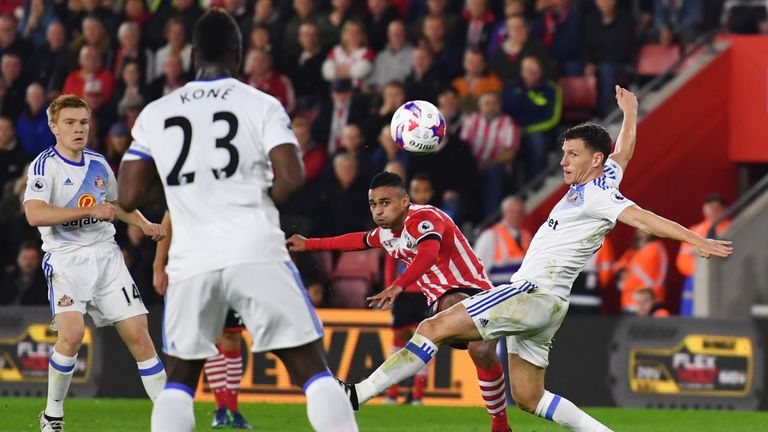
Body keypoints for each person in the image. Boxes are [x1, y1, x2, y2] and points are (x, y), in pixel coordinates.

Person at [334, 86, 732, 432]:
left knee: (432, 326)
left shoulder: (601, 195)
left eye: (572, 155)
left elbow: (641, 217)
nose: (563, 162)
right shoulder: (603, 177)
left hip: (528, 292)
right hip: (551, 306)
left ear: (593, 160)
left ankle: (357, 395)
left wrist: (694, 238)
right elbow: (623, 154)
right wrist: (630, 113)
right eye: (563, 153)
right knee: (529, 398)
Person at [117, 10, 358, 432]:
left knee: (179, 380)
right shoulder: (261, 103)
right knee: (311, 370)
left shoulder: (156, 112)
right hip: (255, 248)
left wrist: (183, 188)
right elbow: (293, 177)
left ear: (192, 56)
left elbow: (128, 195)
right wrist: (258, 195)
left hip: (191, 261)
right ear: (238, 54)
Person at [288, 172, 513, 432]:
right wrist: (309, 244)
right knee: (451, 305)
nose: (379, 211)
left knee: (483, 353)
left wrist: (398, 285)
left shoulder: (425, 218)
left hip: (480, 293)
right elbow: (356, 240)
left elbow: (428, 254)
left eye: (386, 203)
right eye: (374, 204)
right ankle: (367, 394)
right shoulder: (386, 234)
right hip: (443, 301)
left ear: (405, 201)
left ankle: (500, 425)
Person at [24, 95, 167, 432]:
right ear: (54, 127)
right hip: (66, 260)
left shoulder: (99, 163)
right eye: (71, 123)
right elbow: (34, 213)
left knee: (141, 338)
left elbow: (116, 205)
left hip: (106, 256)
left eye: (84, 122)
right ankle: (53, 416)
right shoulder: (45, 166)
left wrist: (142, 223)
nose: (79, 129)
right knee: (72, 335)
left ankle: (168, 420)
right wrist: (88, 210)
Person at [152, 211, 253, 429]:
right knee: (211, 337)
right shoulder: (188, 186)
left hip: (233, 266)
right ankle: (221, 409)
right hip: (197, 269)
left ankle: (233, 410)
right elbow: (168, 220)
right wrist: (159, 265)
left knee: (232, 335)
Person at [675, 193, 731, 316]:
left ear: (724, 210)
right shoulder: (694, 230)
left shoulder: (731, 229)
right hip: (693, 280)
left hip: (721, 281)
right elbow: (682, 261)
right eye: (710, 207)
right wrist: (700, 271)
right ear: (704, 208)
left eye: (717, 208)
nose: (713, 211)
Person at [473, 195, 531, 286]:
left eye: (520, 212)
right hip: (499, 292)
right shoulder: (491, 235)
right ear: (504, 213)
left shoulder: (526, 236)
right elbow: (477, 270)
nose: (516, 216)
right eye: (512, 212)